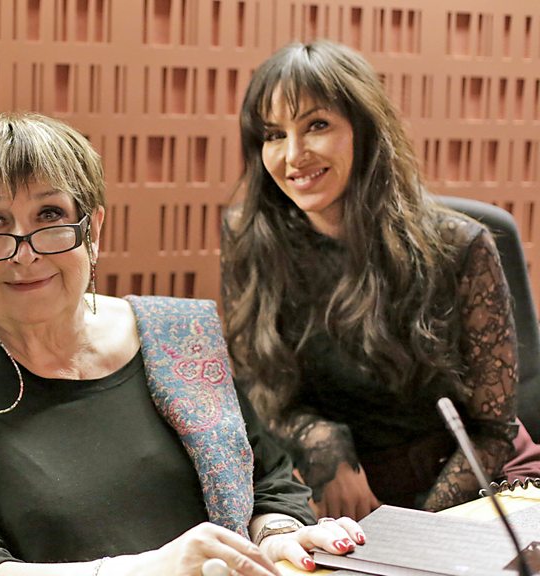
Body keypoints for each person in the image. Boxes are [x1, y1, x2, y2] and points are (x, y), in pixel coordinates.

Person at [0, 112, 363, 576]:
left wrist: (276, 537)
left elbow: (268, 480)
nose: (25, 252)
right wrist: (154, 568)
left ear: (93, 231)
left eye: (50, 214)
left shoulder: (175, 335)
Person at [220, 39, 519, 520]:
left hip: (451, 485)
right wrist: (321, 441)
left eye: (317, 125)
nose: (293, 155)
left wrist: (417, 527)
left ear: (365, 129)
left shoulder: (460, 246)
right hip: (320, 483)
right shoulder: (249, 236)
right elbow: (258, 387)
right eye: (273, 134)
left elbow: (493, 431)